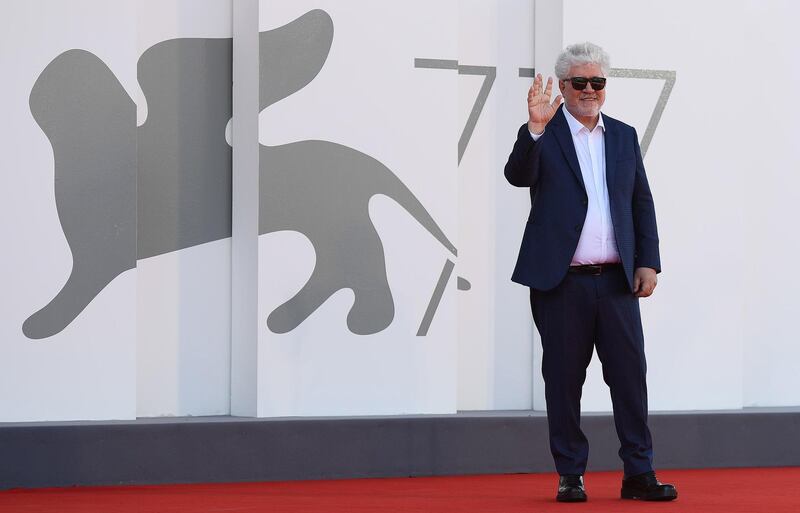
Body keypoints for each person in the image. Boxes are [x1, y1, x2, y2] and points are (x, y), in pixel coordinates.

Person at [504, 42, 678, 503]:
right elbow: (517, 175)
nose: (589, 90)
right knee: (563, 381)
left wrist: (648, 260)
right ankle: (570, 474)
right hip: (562, 283)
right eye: (579, 82)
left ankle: (638, 473)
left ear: (605, 87)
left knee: (629, 378)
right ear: (562, 86)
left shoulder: (622, 135)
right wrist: (534, 129)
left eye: (596, 82)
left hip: (618, 281)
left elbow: (641, 201)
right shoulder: (545, 134)